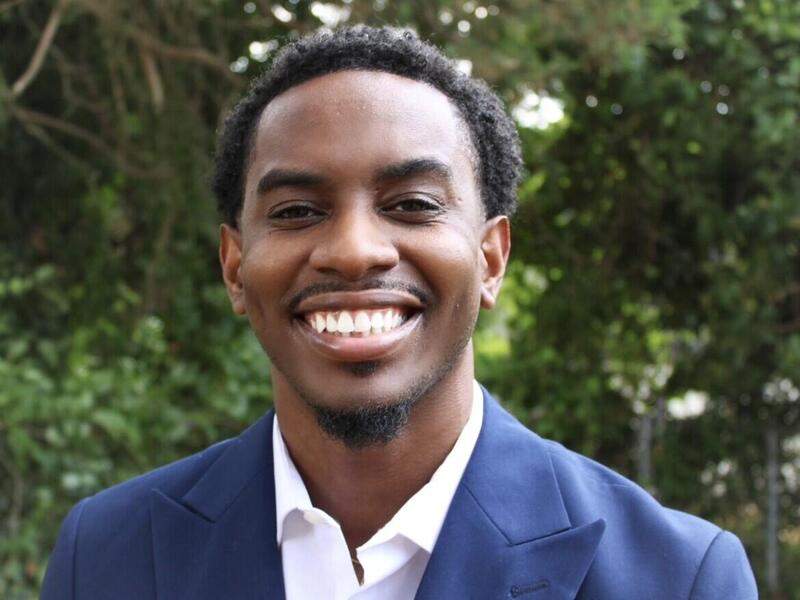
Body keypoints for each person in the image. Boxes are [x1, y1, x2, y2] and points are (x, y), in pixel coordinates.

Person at [42, 26, 757, 600]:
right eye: (296, 211)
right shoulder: (106, 554)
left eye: (412, 204)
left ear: (491, 260)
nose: (353, 252)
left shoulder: (679, 577)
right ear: (235, 267)